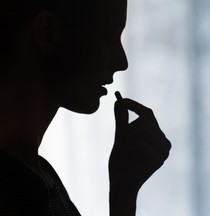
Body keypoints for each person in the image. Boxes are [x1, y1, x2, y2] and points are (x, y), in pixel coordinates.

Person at [0, 0, 171, 215]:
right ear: (48, 33)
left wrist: (123, 192)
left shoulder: (41, 176)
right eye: (110, 37)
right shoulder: (14, 189)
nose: (122, 62)